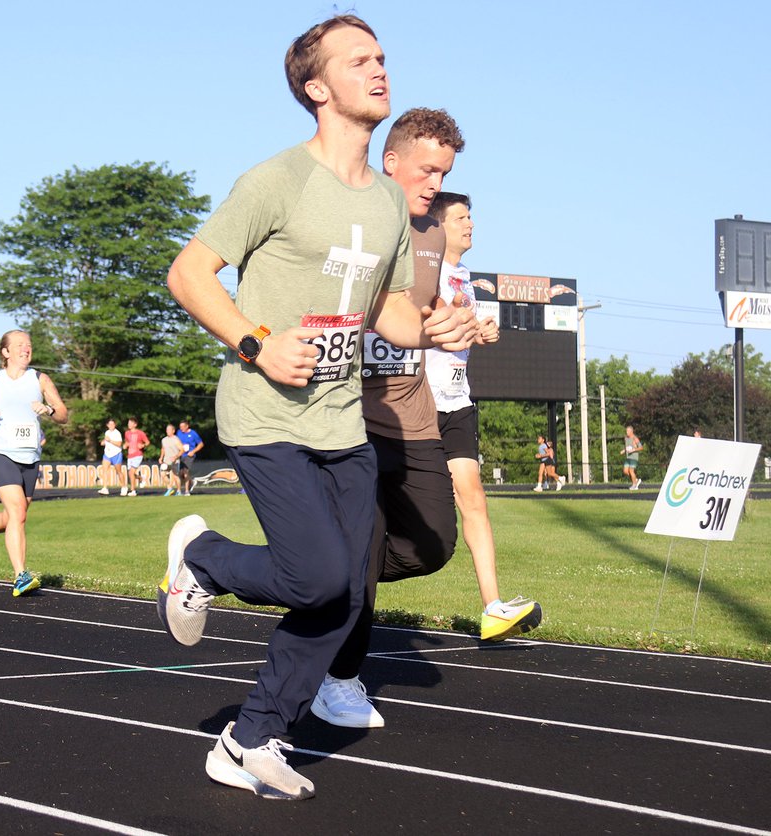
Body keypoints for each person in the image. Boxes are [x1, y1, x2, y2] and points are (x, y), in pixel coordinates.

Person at [157, 15, 473, 800]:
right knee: (319, 578)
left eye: (382, 57)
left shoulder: (395, 207)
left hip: (341, 424)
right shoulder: (278, 181)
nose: (379, 69)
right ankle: (202, 557)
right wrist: (255, 342)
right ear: (316, 86)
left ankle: (254, 735)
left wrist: (436, 326)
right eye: (358, 59)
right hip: (267, 416)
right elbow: (189, 274)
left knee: (346, 592)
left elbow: (389, 313)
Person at [311, 107, 465, 728]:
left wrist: (461, 324)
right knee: (358, 549)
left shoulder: (433, 235)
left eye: (445, 172)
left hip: (415, 419)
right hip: (349, 418)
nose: (436, 183)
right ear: (391, 162)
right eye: (427, 170)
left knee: (434, 544)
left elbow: (428, 313)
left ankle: (324, 583)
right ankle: (338, 676)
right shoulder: (356, 217)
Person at [428, 190, 543, 640]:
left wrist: (483, 330)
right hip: (417, 402)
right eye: (461, 216)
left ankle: (492, 606)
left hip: (457, 401)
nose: (470, 223)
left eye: (471, 216)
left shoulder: (463, 275)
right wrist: (467, 328)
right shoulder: (425, 270)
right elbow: (432, 324)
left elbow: (462, 331)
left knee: (473, 496)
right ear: (439, 225)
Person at [0, 330, 68, 596]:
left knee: (15, 516)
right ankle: (21, 575)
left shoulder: (39, 379)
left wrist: (49, 410)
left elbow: (63, 414)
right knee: (18, 512)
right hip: (1, 453)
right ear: (5, 352)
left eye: (29, 345)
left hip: (29, 457)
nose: (26, 349)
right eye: (20, 345)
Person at [175, 418, 203, 496]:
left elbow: (201, 444)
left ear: (187, 426)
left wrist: (193, 451)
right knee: (180, 474)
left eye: (183, 427)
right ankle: (191, 482)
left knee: (185, 472)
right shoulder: (179, 433)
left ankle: (187, 491)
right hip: (181, 455)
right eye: (180, 427)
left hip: (189, 455)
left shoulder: (193, 433)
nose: (181, 429)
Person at [123, 417, 150, 496]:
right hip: (130, 455)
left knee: (131, 472)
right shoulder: (127, 433)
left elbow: (147, 442)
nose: (129, 424)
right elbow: (127, 442)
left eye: (130, 423)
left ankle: (133, 490)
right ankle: (141, 478)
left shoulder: (140, 433)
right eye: (128, 423)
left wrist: (143, 445)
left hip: (138, 454)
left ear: (135, 424)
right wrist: (125, 445)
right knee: (130, 473)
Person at [98, 418, 125, 495]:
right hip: (107, 454)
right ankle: (105, 488)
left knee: (118, 471)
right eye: (110, 424)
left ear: (115, 425)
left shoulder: (117, 433)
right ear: (107, 425)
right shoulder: (107, 432)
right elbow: (106, 440)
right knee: (105, 470)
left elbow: (119, 444)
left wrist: (110, 441)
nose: (111, 426)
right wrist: (104, 442)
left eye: (112, 424)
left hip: (116, 454)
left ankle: (123, 487)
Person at [159, 423, 184, 497]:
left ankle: (179, 491)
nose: (167, 431)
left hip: (175, 461)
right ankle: (170, 488)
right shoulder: (164, 440)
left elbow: (182, 450)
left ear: (173, 431)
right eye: (167, 430)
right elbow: (163, 449)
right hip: (166, 461)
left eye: (169, 430)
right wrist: (161, 457)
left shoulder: (176, 439)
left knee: (176, 476)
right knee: (162, 474)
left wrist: (176, 457)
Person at [623, 425, 643, 490]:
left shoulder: (635, 438)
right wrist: (624, 450)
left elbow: (641, 447)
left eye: (628, 431)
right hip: (628, 457)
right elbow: (627, 446)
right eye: (626, 431)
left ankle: (634, 485)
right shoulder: (626, 438)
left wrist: (634, 450)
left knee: (631, 471)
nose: (627, 432)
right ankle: (636, 480)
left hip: (634, 457)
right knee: (625, 471)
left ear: (631, 431)